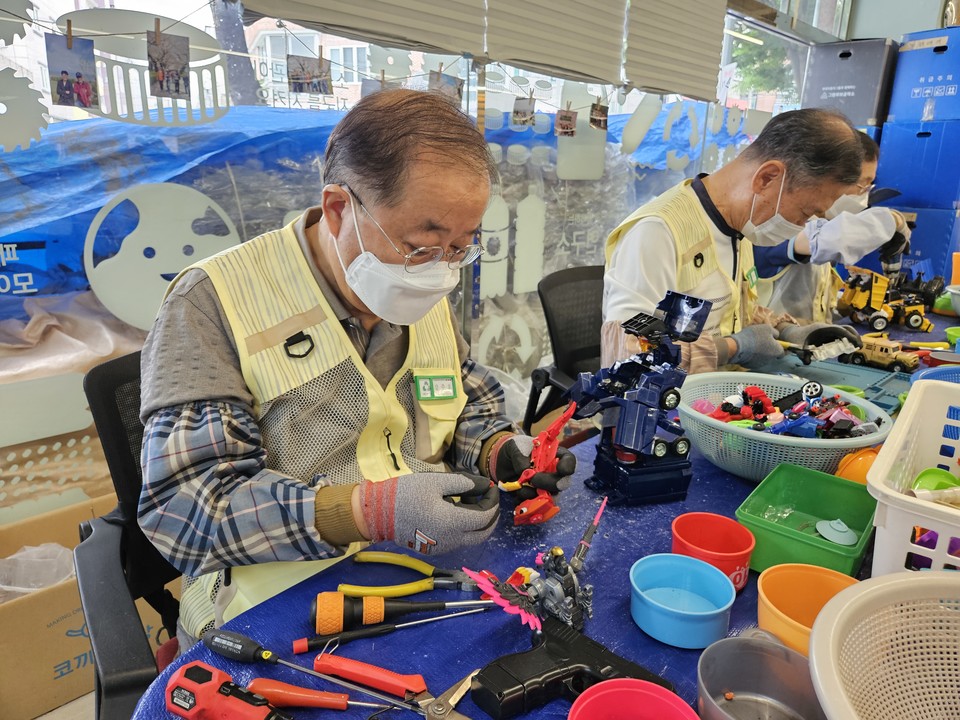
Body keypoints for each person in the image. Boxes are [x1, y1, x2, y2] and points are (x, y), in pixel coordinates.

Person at [138, 89, 576, 652]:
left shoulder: (419, 287)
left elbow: (466, 404)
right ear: (340, 208)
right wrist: (366, 512)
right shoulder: (213, 302)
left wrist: (499, 451)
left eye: (460, 248)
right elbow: (187, 510)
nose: (440, 272)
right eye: (421, 247)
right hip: (276, 601)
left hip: (424, 572)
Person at [602, 108, 864, 374]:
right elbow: (627, 354)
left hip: (719, 392)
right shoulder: (658, 231)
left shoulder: (741, 228)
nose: (803, 225)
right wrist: (730, 348)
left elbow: (733, 311)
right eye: (806, 212)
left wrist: (788, 331)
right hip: (667, 398)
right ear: (767, 177)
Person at [754, 131, 912, 322]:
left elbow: (812, 300)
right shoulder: (774, 224)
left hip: (805, 337)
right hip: (772, 338)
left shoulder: (824, 225)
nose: (863, 195)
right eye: (861, 185)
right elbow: (830, 240)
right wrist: (893, 219)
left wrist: (843, 306)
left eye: (869, 186)